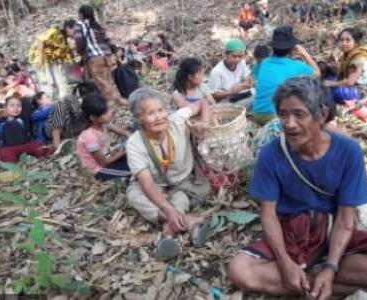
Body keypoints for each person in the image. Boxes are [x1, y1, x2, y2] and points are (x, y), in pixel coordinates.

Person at [227, 77, 367, 298]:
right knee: (239, 271)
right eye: (283, 114)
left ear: (322, 115)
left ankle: (312, 282)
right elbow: (268, 215)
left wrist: (331, 267)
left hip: (332, 229)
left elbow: (346, 218)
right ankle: (323, 285)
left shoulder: (348, 152)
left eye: (299, 114)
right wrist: (285, 263)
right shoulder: (271, 154)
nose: (289, 123)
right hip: (291, 233)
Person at [126, 87, 212, 259]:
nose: (159, 117)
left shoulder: (177, 120)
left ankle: (167, 232)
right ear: (140, 119)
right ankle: (189, 222)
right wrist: (167, 208)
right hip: (155, 186)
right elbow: (147, 184)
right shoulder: (134, 144)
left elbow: (203, 103)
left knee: (180, 197)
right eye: (151, 113)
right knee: (134, 195)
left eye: (161, 110)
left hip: (183, 183)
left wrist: (204, 122)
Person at [252, 25, 320, 126]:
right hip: (274, 115)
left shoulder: (265, 62)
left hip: (257, 113)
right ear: (292, 49)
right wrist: (305, 53)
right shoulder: (295, 66)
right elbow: (317, 73)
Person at [74, 5, 127, 105]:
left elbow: (79, 42)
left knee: (102, 83)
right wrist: (115, 52)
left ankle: (115, 102)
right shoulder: (96, 25)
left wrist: (80, 52)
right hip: (107, 57)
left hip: (94, 57)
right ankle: (114, 100)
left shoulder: (79, 25)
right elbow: (108, 40)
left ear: (81, 14)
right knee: (107, 80)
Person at [77, 93, 130, 181]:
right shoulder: (89, 137)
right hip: (99, 170)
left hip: (108, 159)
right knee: (134, 168)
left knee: (136, 157)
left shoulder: (104, 124)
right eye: (105, 113)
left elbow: (124, 133)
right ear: (93, 118)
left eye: (108, 110)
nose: (110, 113)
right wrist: (124, 151)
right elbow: (103, 162)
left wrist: (132, 140)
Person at [323, 28, 367, 104]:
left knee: (332, 89)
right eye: (341, 40)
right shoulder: (347, 56)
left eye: (348, 40)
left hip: (365, 93)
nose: (344, 43)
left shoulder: (358, 59)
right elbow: (345, 76)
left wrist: (331, 84)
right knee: (329, 77)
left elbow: (350, 82)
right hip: (355, 87)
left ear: (356, 43)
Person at [44, 81, 97, 154]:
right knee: (59, 107)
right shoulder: (70, 99)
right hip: (57, 130)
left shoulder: (91, 101)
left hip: (73, 129)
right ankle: (57, 146)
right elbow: (77, 112)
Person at [29, 19, 76, 99]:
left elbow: (66, 60)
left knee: (60, 83)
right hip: (39, 58)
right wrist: (39, 59)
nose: (76, 33)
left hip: (51, 62)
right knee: (46, 84)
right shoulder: (54, 32)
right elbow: (41, 40)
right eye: (75, 30)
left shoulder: (65, 43)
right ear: (68, 28)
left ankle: (61, 99)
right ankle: (48, 101)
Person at [0, 96, 50, 162]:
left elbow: (26, 101)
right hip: (8, 148)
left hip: (24, 145)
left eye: (19, 106)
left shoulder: (23, 119)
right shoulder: (0, 121)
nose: (16, 108)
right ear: (5, 108)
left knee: (39, 148)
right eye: (12, 105)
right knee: (8, 158)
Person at [208, 38, 253, 108]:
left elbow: (247, 77)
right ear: (225, 54)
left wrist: (246, 83)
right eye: (234, 56)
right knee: (256, 99)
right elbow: (213, 96)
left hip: (240, 95)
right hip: (226, 102)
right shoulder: (217, 72)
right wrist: (231, 91)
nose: (237, 59)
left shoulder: (241, 63)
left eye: (240, 56)